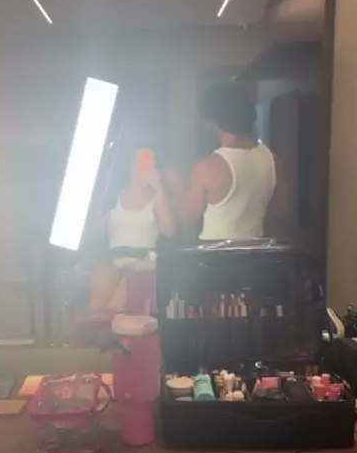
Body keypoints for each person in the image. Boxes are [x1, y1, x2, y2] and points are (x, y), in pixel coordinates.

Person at [169, 82, 286, 240]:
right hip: (254, 250)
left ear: (213, 120)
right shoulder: (272, 159)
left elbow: (187, 216)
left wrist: (175, 184)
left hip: (217, 252)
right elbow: (278, 210)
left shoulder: (207, 166)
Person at [87, 148, 175, 311]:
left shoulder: (158, 198)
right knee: (101, 286)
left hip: (143, 261)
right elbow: (96, 229)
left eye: (148, 163)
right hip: (113, 259)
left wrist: (159, 188)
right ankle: (96, 316)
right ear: (130, 165)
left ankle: (113, 314)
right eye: (139, 162)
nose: (143, 167)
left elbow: (169, 231)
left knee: (121, 295)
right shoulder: (113, 196)